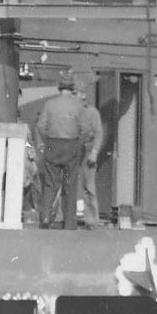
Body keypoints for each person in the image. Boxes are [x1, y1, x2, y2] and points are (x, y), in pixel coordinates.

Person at [36, 72, 105, 229]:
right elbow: (84, 129)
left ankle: (47, 217)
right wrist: (77, 141)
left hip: (64, 148)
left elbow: (40, 126)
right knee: (69, 186)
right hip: (72, 148)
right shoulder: (77, 107)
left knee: (54, 184)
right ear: (72, 89)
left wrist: (45, 142)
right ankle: (68, 222)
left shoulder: (51, 104)